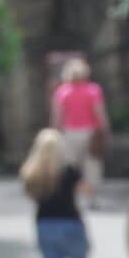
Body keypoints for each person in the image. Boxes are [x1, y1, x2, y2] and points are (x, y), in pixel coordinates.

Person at [20, 128, 93, 258]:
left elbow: (30, 196)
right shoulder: (70, 169)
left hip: (45, 225)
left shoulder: (31, 172)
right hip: (71, 222)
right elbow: (86, 191)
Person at [50, 59, 109, 206]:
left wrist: (55, 132)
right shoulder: (93, 90)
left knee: (70, 166)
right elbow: (99, 113)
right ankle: (91, 198)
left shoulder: (62, 91)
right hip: (90, 132)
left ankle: (72, 197)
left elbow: (57, 116)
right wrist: (105, 129)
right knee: (92, 166)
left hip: (70, 133)